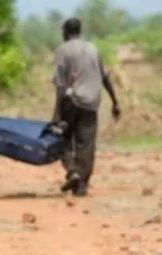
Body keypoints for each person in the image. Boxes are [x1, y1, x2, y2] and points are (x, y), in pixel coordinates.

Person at [52, 18, 121, 196]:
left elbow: (60, 84)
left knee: (63, 139)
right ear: (80, 31)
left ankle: (73, 171)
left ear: (65, 32)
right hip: (91, 102)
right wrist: (115, 101)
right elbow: (104, 77)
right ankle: (81, 184)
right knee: (86, 144)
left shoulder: (63, 50)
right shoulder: (93, 49)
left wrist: (57, 113)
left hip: (71, 101)